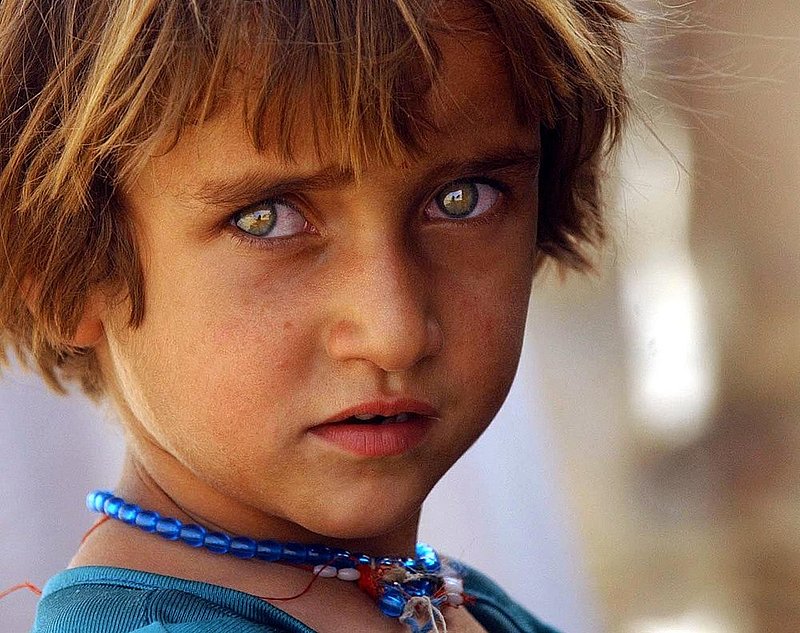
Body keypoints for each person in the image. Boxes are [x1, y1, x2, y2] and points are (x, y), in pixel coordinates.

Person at [0, 0, 631, 631]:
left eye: (461, 199)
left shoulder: (452, 602)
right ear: (67, 271)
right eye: (268, 219)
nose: (395, 332)